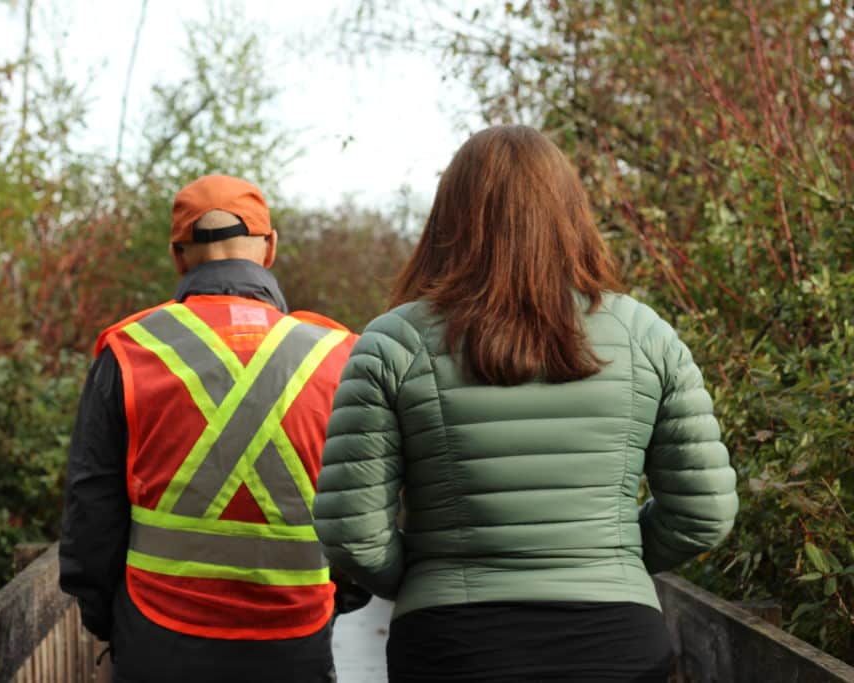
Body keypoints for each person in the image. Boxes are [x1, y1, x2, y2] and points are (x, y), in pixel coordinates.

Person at [313, 126, 739, 682]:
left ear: (449, 218)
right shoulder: (646, 336)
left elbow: (351, 530)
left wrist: (428, 577)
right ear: (571, 213)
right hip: (616, 645)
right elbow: (704, 512)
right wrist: (611, 560)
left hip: (453, 648)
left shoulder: (394, 343)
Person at [60, 174, 358, 683]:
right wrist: (337, 600)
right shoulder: (336, 355)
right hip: (295, 638)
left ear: (178, 256)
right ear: (270, 248)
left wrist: (108, 618)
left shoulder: (130, 351)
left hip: (158, 639)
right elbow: (361, 509)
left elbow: (93, 504)